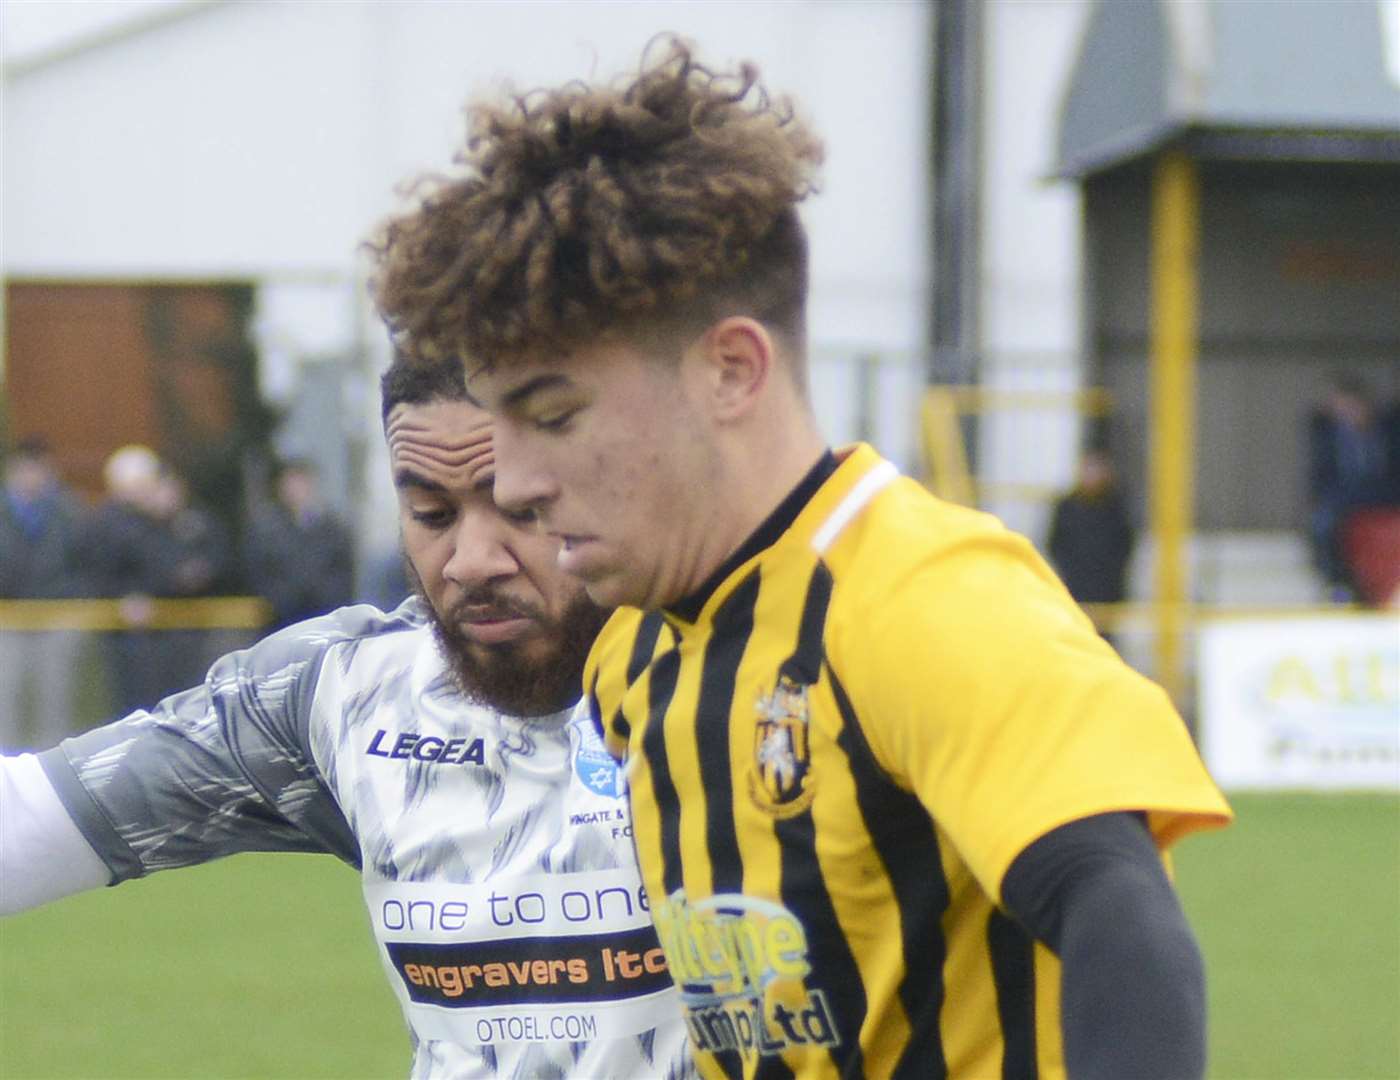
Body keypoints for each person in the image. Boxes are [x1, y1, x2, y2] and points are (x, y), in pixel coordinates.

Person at [369, 39, 1233, 1080]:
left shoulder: (927, 598)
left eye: (550, 413)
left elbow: (1121, 921)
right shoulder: (629, 655)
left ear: (730, 369)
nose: (509, 481)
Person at [1, 355, 691, 1080]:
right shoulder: (344, 692)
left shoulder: (759, 674)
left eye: (524, 509)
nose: (471, 560)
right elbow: (26, 819)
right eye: (431, 514)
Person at [0, 437, 88, 749]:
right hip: (7, 619)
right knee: (4, 696)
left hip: (56, 617)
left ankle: (52, 769)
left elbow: (85, 563)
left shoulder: (67, 511)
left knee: (55, 698)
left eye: (38, 469)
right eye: (25, 469)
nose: (31, 476)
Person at [244, 457, 355, 629]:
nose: (295, 489)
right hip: (281, 618)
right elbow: (260, 571)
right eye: (290, 483)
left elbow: (343, 571)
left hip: (325, 616)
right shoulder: (267, 531)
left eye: (300, 482)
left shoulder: (333, 529)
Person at [1307, 375, 1390, 600]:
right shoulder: (1326, 435)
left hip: (1383, 495)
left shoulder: (1386, 431)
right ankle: (1338, 583)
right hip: (1345, 498)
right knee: (1323, 523)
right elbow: (1322, 476)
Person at [1047, 448, 1134, 641]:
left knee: (1105, 640)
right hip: (1076, 587)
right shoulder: (1067, 507)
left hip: (1106, 590)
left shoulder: (1115, 507)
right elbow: (1056, 543)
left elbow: (1125, 545)